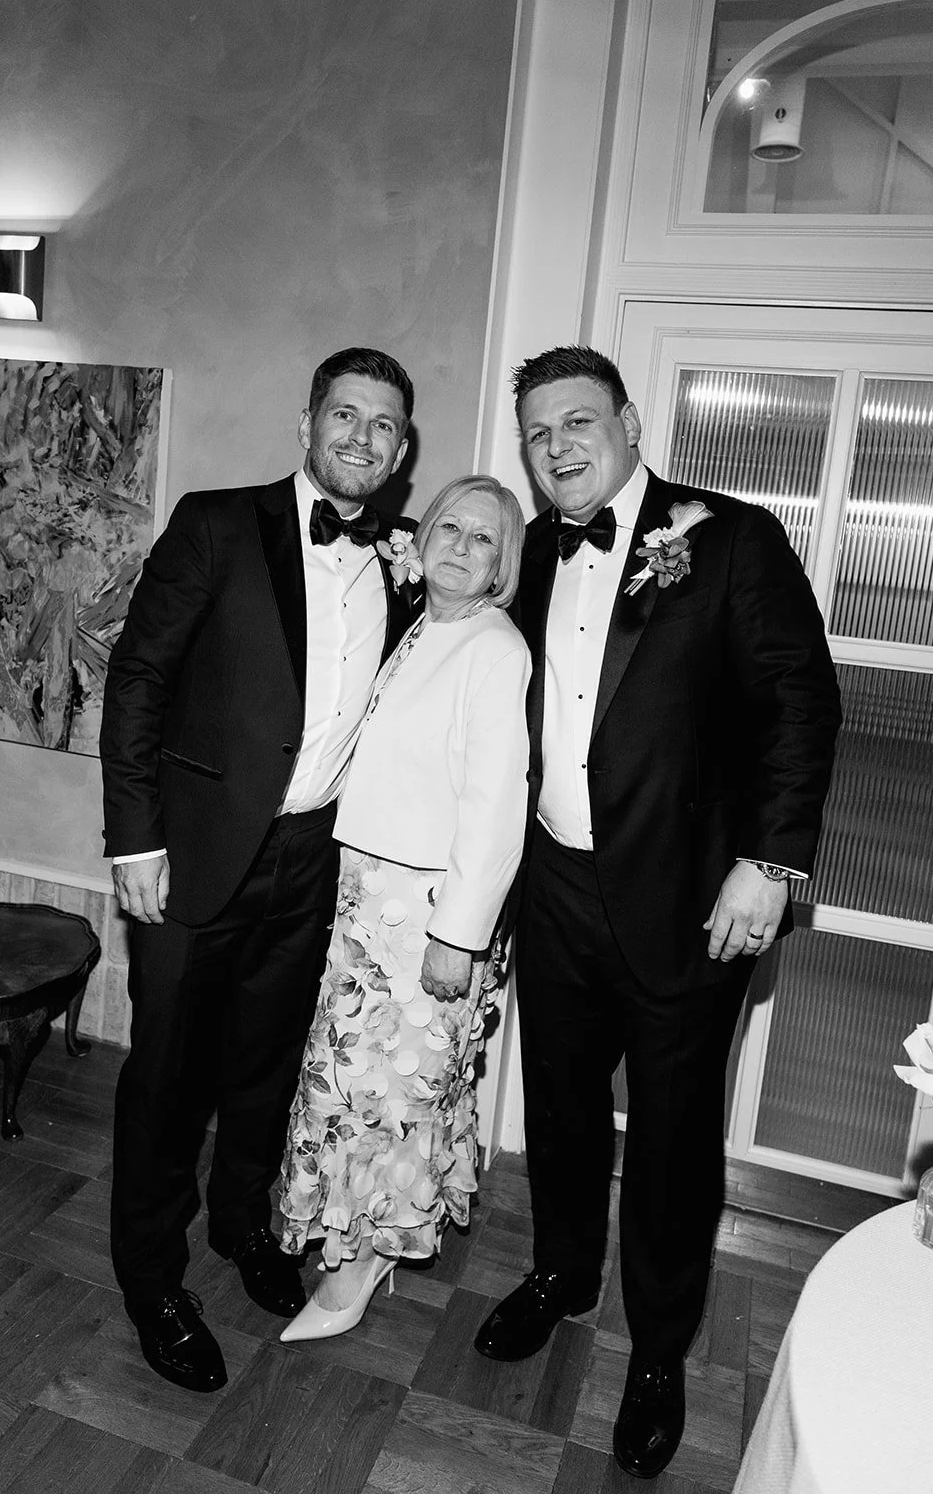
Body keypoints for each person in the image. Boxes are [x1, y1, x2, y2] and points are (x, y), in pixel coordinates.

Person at [473, 346, 841, 1479]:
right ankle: (559, 1272)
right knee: (564, 1104)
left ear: (629, 424)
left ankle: (659, 1350)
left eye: (577, 421)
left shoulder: (728, 537)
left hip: (691, 898)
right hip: (556, 883)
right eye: (536, 433)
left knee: (676, 1138)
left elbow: (798, 701)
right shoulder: (528, 553)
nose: (557, 447)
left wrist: (766, 865)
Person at [99, 347, 421, 1392]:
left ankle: (243, 1227)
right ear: (305, 423)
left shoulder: (407, 564)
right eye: (344, 415)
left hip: (310, 857)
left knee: (264, 1068)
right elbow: (138, 677)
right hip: (189, 853)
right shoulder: (215, 522)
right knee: (166, 1078)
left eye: (382, 424)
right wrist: (132, 838)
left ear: (402, 448)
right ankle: (150, 1276)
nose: (361, 437)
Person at [276, 474, 531, 1340]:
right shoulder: (423, 627)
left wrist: (456, 936)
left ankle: (354, 1266)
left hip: (426, 911)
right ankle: (361, 1241)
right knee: (355, 1089)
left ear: (503, 566)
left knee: (385, 1095)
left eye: (483, 538)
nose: (460, 545)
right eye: (448, 527)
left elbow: (496, 808)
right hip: (366, 899)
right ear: (420, 540)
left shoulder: (495, 649)